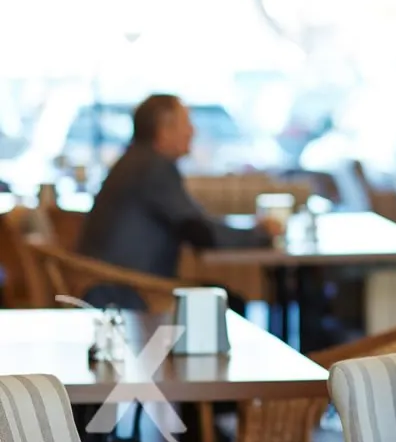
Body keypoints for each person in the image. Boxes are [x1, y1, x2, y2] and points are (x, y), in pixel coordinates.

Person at [76, 94, 284, 310]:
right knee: (226, 303)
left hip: (111, 285)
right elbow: (200, 232)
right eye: (186, 123)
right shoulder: (153, 168)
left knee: (223, 298)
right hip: (128, 293)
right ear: (164, 130)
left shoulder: (135, 161)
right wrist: (259, 235)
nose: (192, 132)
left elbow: (195, 223)